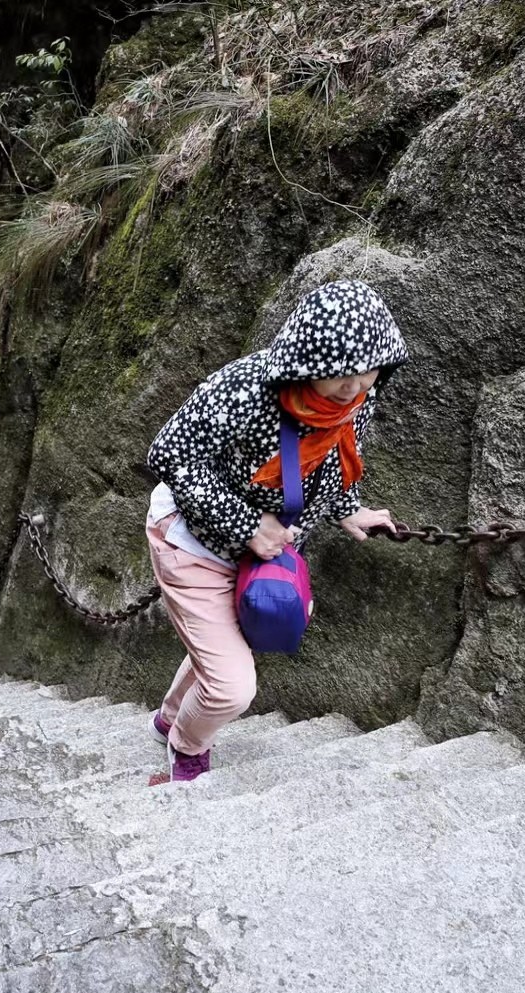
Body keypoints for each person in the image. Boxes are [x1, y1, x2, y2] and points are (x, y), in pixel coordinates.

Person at [143, 279, 408, 783]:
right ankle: (186, 747)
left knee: (226, 654)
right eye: (340, 374)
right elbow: (169, 455)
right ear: (306, 360)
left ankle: (169, 720)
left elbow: (328, 461)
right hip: (193, 542)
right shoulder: (244, 389)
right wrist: (245, 524)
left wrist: (346, 509)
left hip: (260, 552)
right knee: (231, 688)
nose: (355, 387)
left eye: (367, 371)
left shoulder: (352, 401)